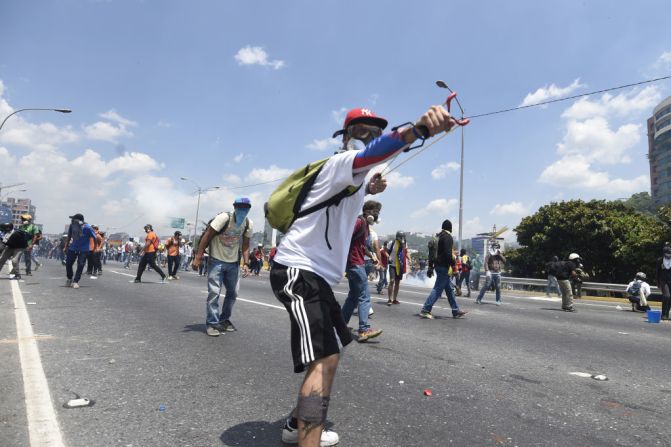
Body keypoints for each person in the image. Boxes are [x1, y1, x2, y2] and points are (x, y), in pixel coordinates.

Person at [269, 104, 457, 447]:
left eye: (373, 132)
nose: (368, 137)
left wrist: (370, 189)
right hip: (298, 269)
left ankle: (298, 424)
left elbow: (353, 190)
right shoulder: (340, 162)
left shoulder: (353, 182)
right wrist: (420, 129)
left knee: (332, 352)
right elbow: (374, 154)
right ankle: (305, 437)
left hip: (316, 276)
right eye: (361, 131)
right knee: (323, 360)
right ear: (344, 138)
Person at [192, 197, 252, 337]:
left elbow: (245, 245)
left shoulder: (248, 223)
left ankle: (224, 320)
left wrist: (246, 263)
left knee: (233, 293)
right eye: (240, 207)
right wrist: (198, 257)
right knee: (214, 293)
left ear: (249, 209)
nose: (242, 210)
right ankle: (212, 323)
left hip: (233, 263)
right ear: (235, 207)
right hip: (216, 261)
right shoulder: (224, 218)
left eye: (245, 207)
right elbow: (207, 236)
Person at [342, 200, 383, 340]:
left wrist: (372, 256)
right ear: (367, 212)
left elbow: (361, 246)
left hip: (355, 263)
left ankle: (340, 326)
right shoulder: (359, 222)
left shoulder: (365, 226)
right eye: (375, 213)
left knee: (353, 296)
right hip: (355, 264)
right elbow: (344, 236)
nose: (377, 216)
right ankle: (364, 330)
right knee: (364, 296)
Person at [420, 219, 467, 319]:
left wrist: (430, 266)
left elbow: (432, 254)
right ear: (450, 228)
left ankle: (455, 310)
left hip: (438, 266)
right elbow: (448, 254)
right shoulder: (448, 237)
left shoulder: (438, 236)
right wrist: (454, 266)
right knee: (437, 289)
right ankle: (425, 309)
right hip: (444, 267)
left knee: (449, 289)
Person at [63, 213, 96, 289]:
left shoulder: (88, 228)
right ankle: (69, 278)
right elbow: (69, 236)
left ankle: (75, 281)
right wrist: (66, 246)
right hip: (73, 248)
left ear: (80, 221)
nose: (72, 221)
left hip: (83, 249)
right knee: (68, 263)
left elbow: (94, 238)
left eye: (74, 219)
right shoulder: (72, 226)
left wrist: (94, 248)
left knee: (81, 265)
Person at [475, 241, 506, 305]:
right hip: (490, 272)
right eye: (495, 247)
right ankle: (478, 299)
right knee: (487, 285)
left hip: (497, 273)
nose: (496, 248)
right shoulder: (489, 253)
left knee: (498, 287)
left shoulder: (499, 254)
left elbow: (504, 261)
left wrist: (500, 254)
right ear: (492, 247)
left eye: (497, 247)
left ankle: (498, 300)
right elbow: (486, 262)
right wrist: (487, 271)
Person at [388, 231, 408, 305]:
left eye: (403, 238)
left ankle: (394, 299)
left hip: (400, 265)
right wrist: (388, 257)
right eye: (401, 237)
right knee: (392, 281)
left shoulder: (404, 243)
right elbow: (387, 251)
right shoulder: (392, 243)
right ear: (398, 237)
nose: (403, 239)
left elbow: (405, 251)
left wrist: (409, 258)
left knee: (397, 283)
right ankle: (390, 299)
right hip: (392, 265)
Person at [656, 245, 671, 321]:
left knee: (670, 298)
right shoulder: (660, 260)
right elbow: (657, 272)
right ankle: (663, 314)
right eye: (667, 255)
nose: (668, 256)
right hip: (663, 281)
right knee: (667, 296)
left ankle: (666, 314)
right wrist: (658, 282)